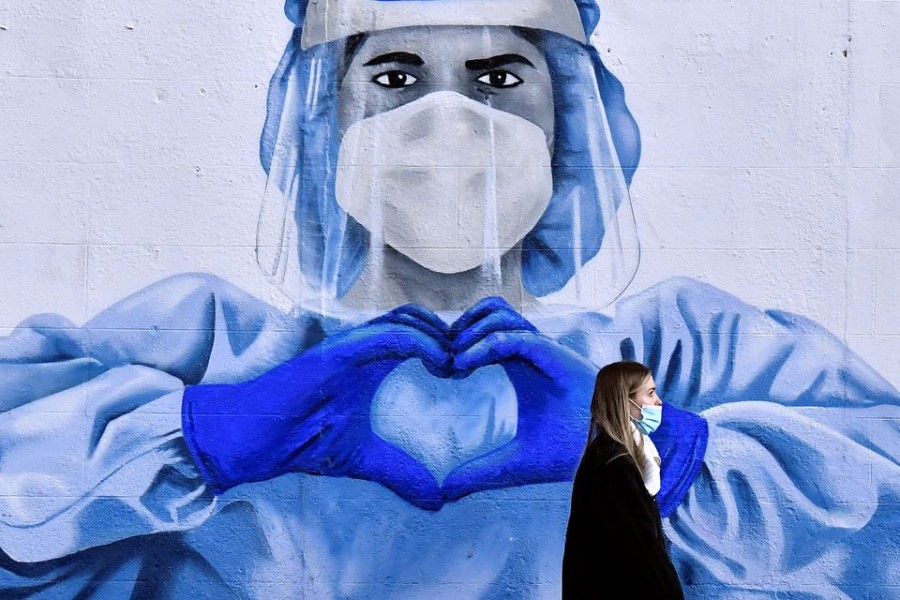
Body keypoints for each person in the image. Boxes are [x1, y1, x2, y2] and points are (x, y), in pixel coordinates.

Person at [0, 0, 897, 597]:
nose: (449, 119)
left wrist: (659, 454)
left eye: (499, 78)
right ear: (324, 119)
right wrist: (214, 433)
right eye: (393, 77)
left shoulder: (685, 347)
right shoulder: (209, 348)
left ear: (567, 117)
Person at [562, 361, 684, 599]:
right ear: (624, 401)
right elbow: (641, 556)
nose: (658, 401)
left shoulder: (614, 456)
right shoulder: (613, 468)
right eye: (649, 393)